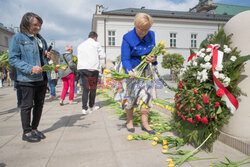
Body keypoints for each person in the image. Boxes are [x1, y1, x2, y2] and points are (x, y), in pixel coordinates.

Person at [8, 12, 51, 142]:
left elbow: (40, 57)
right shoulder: (18, 38)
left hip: (42, 77)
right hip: (27, 78)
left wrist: (46, 56)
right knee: (27, 106)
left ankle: (34, 129)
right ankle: (26, 132)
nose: (38, 27)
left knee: (39, 105)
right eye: (35, 25)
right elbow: (13, 59)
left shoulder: (40, 39)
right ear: (26, 24)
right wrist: (30, 68)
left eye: (40, 25)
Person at [120, 13, 157, 134]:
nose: (143, 32)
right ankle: (129, 121)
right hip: (132, 70)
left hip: (146, 71)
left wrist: (153, 59)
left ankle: (145, 123)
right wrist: (129, 70)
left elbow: (154, 52)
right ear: (135, 25)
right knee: (129, 97)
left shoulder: (151, 35)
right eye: (141, 29)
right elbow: (125, 58)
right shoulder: (127, 38)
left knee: (146, 96)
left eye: (146, 29)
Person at [77, 31, 106, 115]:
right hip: (92, 69)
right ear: (95, 37)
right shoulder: (96, 44)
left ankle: (84, 108)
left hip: (82, 69)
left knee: (85, 89)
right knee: (92, 89)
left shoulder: (80, 45)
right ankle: (91, 106)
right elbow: (103, 55)